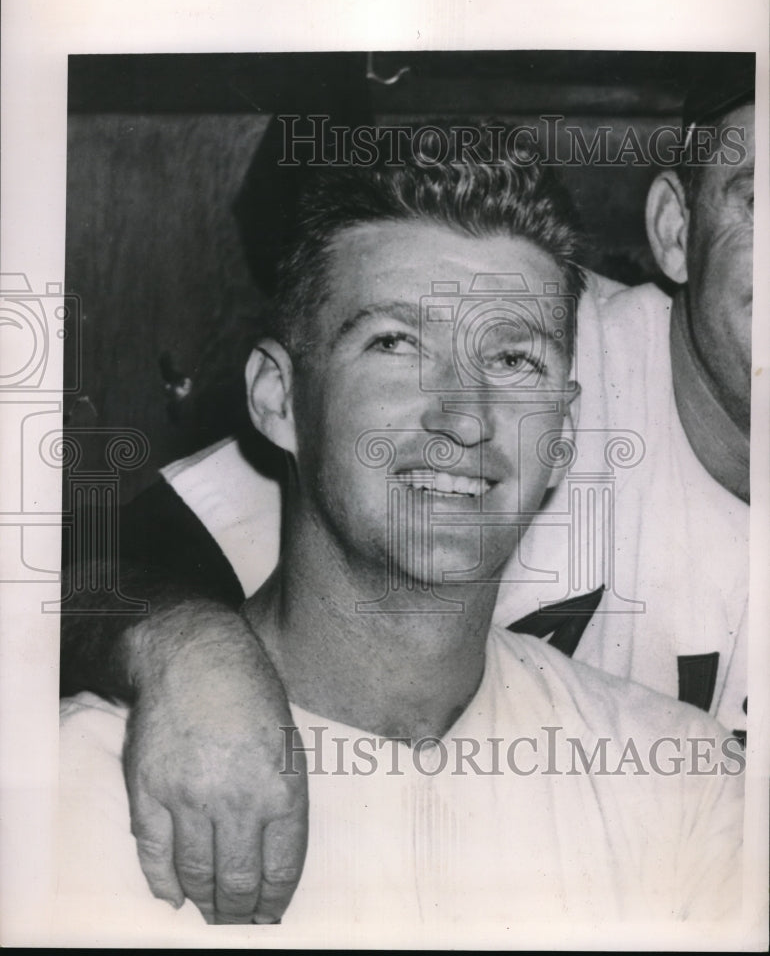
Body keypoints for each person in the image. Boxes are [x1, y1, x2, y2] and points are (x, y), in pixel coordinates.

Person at [59, 71, 755, 924]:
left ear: (566, 433)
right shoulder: (78, 793)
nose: (465, 416)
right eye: (396, 343)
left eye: (512, 361)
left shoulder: (683, 786)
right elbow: (76, 572)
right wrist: (186, 650)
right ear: (278, 398)